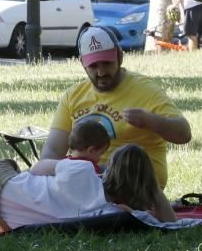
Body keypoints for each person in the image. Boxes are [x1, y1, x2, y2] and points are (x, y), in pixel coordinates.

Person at [39, 26, 191, 191]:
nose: (101, 72)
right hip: (86, 185)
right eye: (94, 66)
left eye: (107, 63)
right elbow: (53, 151)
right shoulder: (73, 96)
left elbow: (183, 134)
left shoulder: (146, 90)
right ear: (82, 63)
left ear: (120, 57)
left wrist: (150, 120)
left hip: (134, 187)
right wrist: (43, 182)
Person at [0, 144, 175, 232]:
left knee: (14, 182)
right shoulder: (111, 214)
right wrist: (153, 192)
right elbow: (170, 223)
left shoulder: (83, 169)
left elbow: (39, 168)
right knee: (8, 205)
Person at [32, 119, 109, 175]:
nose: (100, 158)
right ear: (91, 150)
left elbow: (34, 169)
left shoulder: (63, 162)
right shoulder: (90, 167)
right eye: (101, 153)